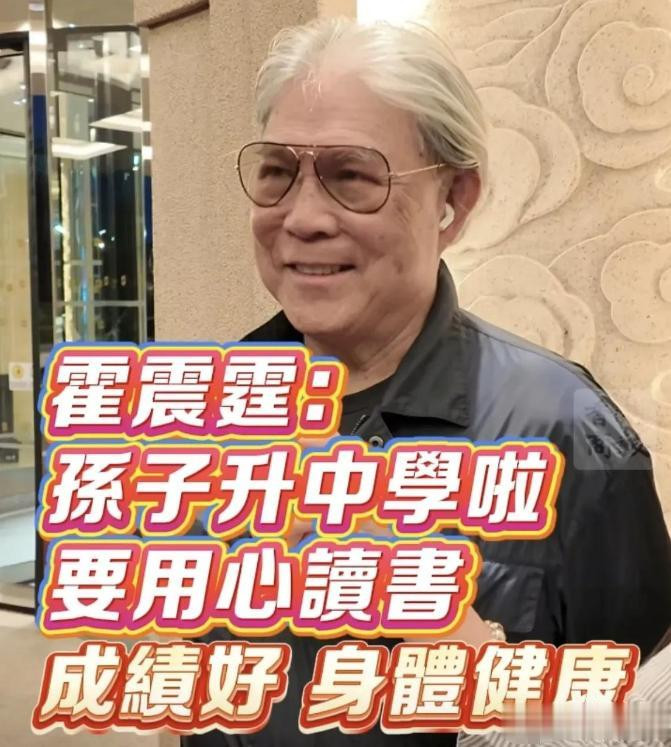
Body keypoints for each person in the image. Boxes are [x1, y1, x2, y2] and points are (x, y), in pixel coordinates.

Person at [182, 16, 671, 747]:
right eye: (277, 172)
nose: (303, 218)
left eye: (353, 175)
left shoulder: (567, 429)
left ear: (455, 201)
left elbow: (631, 722)